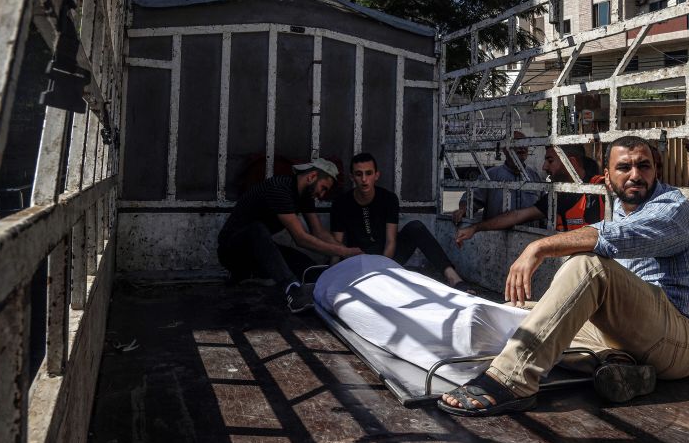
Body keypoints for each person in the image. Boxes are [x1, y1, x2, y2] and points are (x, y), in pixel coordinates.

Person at [438, 135, 689, 416]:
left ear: (655, 170)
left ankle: (511, 381)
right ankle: (618, 364)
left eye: (644, 166)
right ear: (608, 178)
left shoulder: (673, 208)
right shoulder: (620, 211)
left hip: (682, 343)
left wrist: (539, 246)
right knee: (519, 315)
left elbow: (614, 238)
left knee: (588, 265)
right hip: (633, 339)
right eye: (624, 168)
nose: (636, 175)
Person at [217, 158, 362, 313]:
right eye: (323, 188)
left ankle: (245, 274)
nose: (322, 195)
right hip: (231, 252)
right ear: (312, 176)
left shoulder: (305, 196)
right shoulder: (279, 188)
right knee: (256, 229)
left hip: (258, 254)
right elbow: (300, 238)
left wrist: (350, 254)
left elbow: (318, 232)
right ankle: (293, 291)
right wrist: (344, 252)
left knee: (310, 269)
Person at [332, 153, 475, 292]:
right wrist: (332, 275)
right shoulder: (341, 203)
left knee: (416, 227)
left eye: (368, 173)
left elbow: (391, 241)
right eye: (359, 174)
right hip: (358, 261)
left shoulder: (388, 199)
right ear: (352, 177)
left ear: (376, 175)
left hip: (387, 257)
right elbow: (337, 246)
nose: (364, 179)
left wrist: (381, 269)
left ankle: (453, 278)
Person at [455, 145, 604, 246]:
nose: (544, 167)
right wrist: (475, 228)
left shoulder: (602, 191)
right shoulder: (558, 196)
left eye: (550, 161)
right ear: (506, 151)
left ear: (570, 163)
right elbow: (517, 216)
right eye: (516, 151)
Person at [451, 131, 543, 224]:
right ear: (504, 149)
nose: (522, 147)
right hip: (497, 235)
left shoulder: (534, 176)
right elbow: (470, 199)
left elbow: (544, 207)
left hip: (531, 235)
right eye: (516, 143)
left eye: (525, 143)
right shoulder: (490, 176)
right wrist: (462, 210)